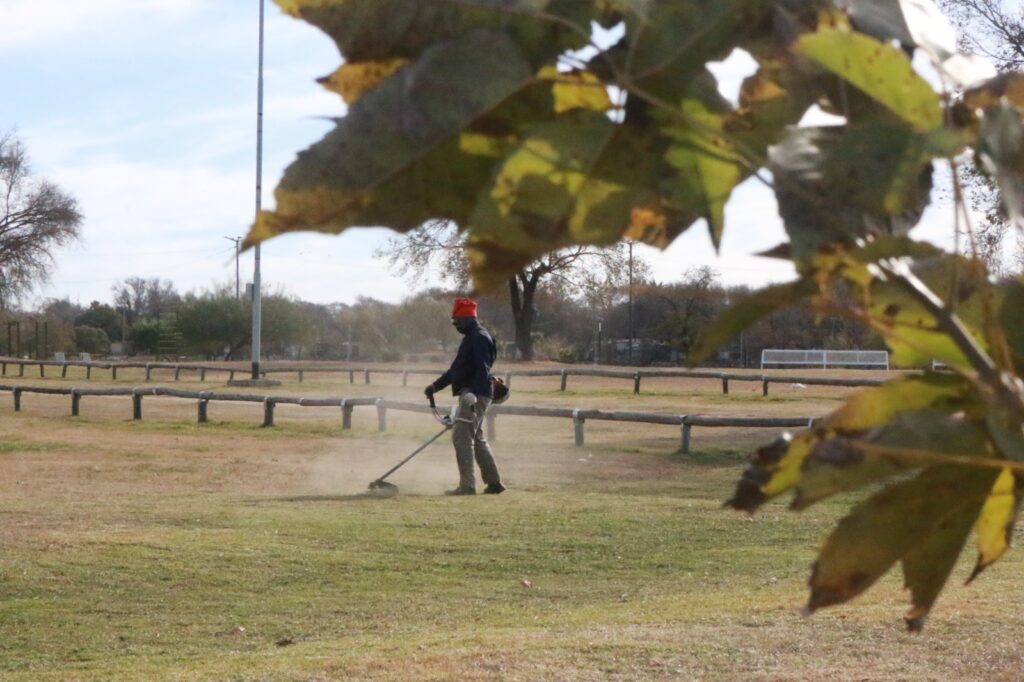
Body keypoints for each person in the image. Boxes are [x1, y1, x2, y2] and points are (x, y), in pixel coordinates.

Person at [425, 297, 506, 496]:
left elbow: (482, 369)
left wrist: (473, 394)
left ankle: (467, 485)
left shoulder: (479, 337)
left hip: (474, 394)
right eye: (454, 322)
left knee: (462, 437)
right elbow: (457, 370)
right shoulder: (471, 337)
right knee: (476, 438)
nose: (456, 326)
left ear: (469, 319)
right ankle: (494, 483)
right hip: (473, 392)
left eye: (458, 322)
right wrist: (436, 386)